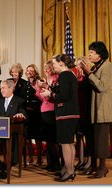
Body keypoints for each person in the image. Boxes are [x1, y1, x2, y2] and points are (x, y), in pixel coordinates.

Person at [41, 54, 80, 182]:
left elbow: (63, 95)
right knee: (69, 142)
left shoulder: (64, 75)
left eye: (54, 64)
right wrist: (49, 88)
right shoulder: (69, 75)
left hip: (66, 113)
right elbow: (63, 91)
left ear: (62, 63)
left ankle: (69, 171)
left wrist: (50, 94)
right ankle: (69, 169)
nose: (53, 66)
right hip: (71, 112)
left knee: (65, 143)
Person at [80, 41, 112, 179]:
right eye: (89, 52)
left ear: (100, 54)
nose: (89, 55)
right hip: (92, 109)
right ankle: (93, 165)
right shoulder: (95, 67)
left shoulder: (107, 66)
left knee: (101, 139)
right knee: (92, 138)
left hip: (102, 110)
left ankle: (103, 167)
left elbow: (102, 86)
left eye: (92, 52)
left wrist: (89, 73)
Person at [35, 60, 61, 172]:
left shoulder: (56, 79)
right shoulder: (46, 79)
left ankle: (57, 164)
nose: (46, 70)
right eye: (45, 68)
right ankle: (50, 163)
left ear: (53, 69)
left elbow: (55, 95)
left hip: (51, 111)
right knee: (48, 140)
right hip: (44, 110)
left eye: (48, 68)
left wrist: (47, 87)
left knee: (53, 139)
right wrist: (38, 88)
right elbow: (42, 97)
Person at [21, 64, 43, 166]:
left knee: (38, 136)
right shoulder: (25, 83)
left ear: (35, 72)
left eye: (31, 70)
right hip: (27, 113)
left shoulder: (39, 82)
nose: (29, 72)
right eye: (28, 70)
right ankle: (30, 158)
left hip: (36, 112)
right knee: (28, 136)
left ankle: (39, 158)